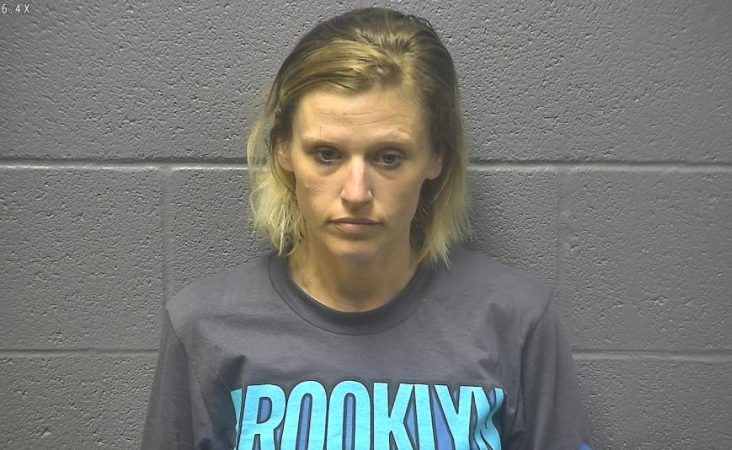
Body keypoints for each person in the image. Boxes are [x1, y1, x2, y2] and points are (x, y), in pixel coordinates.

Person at [142, 7, 592, 450]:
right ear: (283, 150)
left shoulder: (515, 320)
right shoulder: (204, 328)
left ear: (436, 157)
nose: (356, 192)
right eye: (326, 154)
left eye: (388, 157)